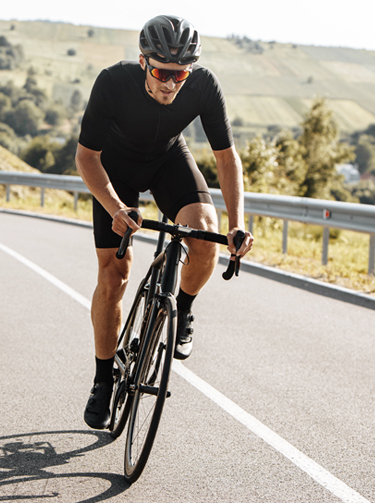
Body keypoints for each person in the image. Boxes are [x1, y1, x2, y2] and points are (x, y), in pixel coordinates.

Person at [75, 14, 254, 430]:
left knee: (204, 231)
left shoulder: (204, 86)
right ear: (143, 62)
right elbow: (86, 157)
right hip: (114, 173)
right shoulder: (112, 83)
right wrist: (116, 207)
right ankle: (103, 379)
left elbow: (227, 159)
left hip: (168, 161)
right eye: (161, 72)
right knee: (114, 274)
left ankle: (184, 309)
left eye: (180, 75)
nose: (171, 83)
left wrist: (238, 223)